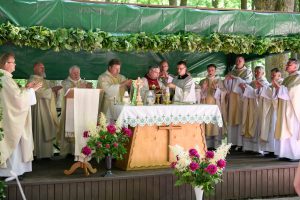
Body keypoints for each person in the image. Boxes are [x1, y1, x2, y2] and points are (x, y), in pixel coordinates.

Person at [0, 52, 42, 177]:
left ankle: (13, 171)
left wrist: (25, 88)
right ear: (6, 64)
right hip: (10, 119)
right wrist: (31, 91)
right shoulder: (5, 78)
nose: (15, 64)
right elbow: (17, 100)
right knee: (14, 144)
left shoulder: (4, 78)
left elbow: (15, 95)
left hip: (7, 116)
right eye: (13, 62)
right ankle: (11, 172)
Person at [29, 62, 61, 159]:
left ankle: (47, 154)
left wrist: (55, 91)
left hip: (47, 109)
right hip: (39, 109)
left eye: (43, 67)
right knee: (40, 129)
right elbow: (39, 93)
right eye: (41, 67)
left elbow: (50, 92)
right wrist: (52, 90)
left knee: (47, 128)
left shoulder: (44, 80)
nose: (43, 69)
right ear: (35, 68)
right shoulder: (32, 79)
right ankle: (39, 154)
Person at [59, 65, 90, 157]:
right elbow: (68, 91)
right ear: (70, 73)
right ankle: (69, 151)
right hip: (70, 110)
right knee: (70, 129)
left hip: (82, 111)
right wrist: (81, 87)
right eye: (74, 73)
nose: (77, 74)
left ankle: (82, 151)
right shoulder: (65, 82)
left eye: (78, 72)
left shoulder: (85, 82)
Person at [273, 58, 300, 160]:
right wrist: (278, 89)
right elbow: (281, 92)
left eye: (288, 65)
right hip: (284, 109)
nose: (286, 66)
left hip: (292, 110)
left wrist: (280, 88)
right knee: (284, 130)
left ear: (295, 66)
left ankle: (294, 155)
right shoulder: (287, 79)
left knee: (292, 130)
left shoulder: (298, 77)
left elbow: (294, 92)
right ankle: (285, 154)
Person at [224, 56, 253, 149]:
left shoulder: (247, 71)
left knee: (241, 118)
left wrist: (235, 78)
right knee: (231, 118)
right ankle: (232, 143)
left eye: (240, 60)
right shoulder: (231, 71)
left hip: (241, 98)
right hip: (232, 98)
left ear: (244, 62)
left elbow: (248, 83)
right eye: (236, 60)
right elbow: (225, 83)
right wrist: (227, 80)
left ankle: (240, 143)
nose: (238, 61)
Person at [240, 66, 269, 153]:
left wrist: (259, 88)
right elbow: (248, 93)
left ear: (263, 73)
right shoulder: (252, 82)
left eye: (258, 72)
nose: (256, 73)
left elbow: (265, 95)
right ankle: (250, 147)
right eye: (255, 72)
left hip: (258, 107)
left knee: (256, 125)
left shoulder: (265, 83)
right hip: (250, 107)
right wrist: (244, 88)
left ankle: (257, 148)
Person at [199, 64, 225, 149]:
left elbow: (224, 93)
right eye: (209, 70)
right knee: (206, 123)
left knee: (215, 124)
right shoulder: (203, 81)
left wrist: (216, 89)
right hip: (205, 106)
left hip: (215, 106)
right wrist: (203, 88)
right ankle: (205, 144)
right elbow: (199, 95)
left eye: (212, 70)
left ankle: (215, 145)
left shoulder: (220, 81)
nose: (210, 72)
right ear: (207, 70)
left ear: (215, 71)